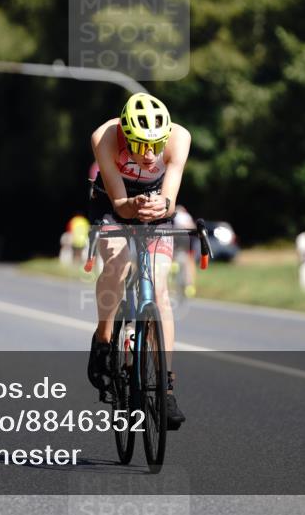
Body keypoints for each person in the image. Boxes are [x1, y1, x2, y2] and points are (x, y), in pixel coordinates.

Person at [87, 92, 191, 430]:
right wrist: (131, 208)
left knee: (160, 291)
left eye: (155, 145)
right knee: (116, 263)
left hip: (156, 206)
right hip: (112, 203)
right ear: (124, 134)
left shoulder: (180, 138)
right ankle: (104, 341)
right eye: (139, 145)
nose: (148, 155)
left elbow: (171, 198)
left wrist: (161, 206)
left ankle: (166, 387)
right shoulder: (104, 137)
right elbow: (118, 203)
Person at [172, 204, 197, 298]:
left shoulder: (176, 214)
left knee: (175, 252)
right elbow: (193, 226)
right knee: (190, 260)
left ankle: (174, 264)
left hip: (179, 236)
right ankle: (190, 286)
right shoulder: (187, 216)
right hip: (190, 237)